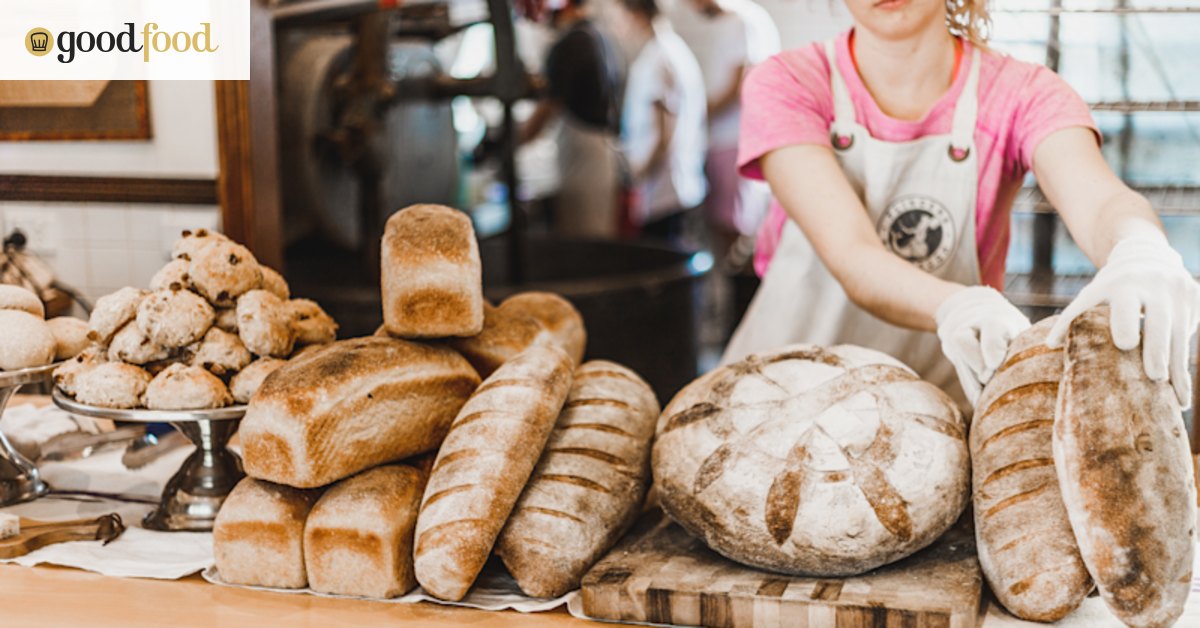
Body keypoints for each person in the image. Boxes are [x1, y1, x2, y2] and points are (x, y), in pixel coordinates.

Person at [726, 0, 1200, 411]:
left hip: (935, 413)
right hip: (778, 403)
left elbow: (1099, 201)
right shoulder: (788, 82)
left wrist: (1140, 248)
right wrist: (958, 303)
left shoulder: (1022, 93)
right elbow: (852, 255)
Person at [675, 0, 780, 256]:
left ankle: (736, 293)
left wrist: (693, 116)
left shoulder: (740, 22)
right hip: (728, 140)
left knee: (731, 231)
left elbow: (736, 86)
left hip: (733, 140)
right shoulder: (737, 22)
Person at [519, 0, 625, 238]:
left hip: (586, 160)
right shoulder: (597, 36)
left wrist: (510, 141)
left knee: (588, 242)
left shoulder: (572, 43)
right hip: (599, 156)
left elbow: (547, 108)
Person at [611, 0, 708, 244]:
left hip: (665, 190)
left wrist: (638, 174)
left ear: (636, 15)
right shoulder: (665, 50)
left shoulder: (661, 58)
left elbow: (665, 135)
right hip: (668, 186)